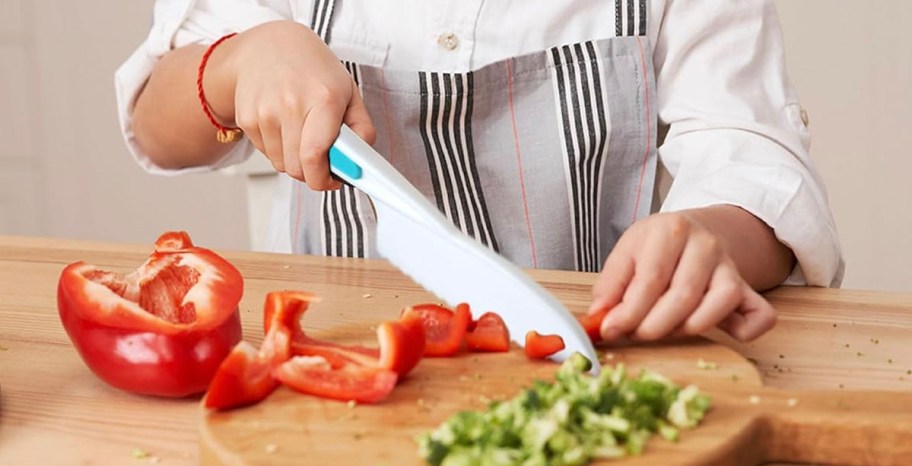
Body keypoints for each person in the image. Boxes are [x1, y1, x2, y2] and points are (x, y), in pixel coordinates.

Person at [116, 0, 844, 344]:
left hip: (602, 349)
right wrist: (239, 60)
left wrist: (709, 233)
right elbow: (157, 122)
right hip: (342, 362)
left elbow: (753, 156)